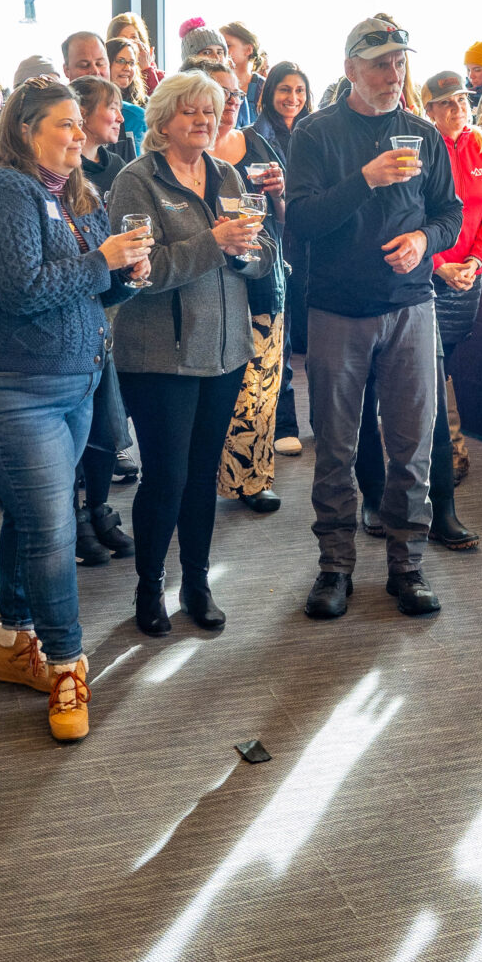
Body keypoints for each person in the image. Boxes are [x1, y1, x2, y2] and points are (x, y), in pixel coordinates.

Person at [0, 81, 153, 741]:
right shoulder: (1, 189)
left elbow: (89, 283)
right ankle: (66, 663)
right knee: (52, 523)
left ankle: (13, 642)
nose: (78, 135)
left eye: (77, 126)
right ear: (27, 128)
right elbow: (19, 290)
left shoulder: (75, 192)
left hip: (68, 385)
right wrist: (102, 260)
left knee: (33, 514)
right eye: (65, 124)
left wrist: (124, 273)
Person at [284, 16, 463, 618]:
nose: (394, 74)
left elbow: (449, 214)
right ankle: (335, 567)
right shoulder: (316, 134)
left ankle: (408, 566)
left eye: (399, 62)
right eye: (381, 63)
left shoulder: (422, 133)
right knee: (335, 447)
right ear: (350, 70)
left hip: (412, 306)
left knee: (410, 448)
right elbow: (302, 221)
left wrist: (424, 242)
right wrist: (365, 179)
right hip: (339, 310)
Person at [106, 71, 276, 636]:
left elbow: (259, 252)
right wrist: (216, 243)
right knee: (166, 477)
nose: (204, 120)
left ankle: (197, 583)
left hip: (226, 351)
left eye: (211, 110)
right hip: (161, 357)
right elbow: (142, 271)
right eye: (190, 113)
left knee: (203, 476)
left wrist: (250, 251)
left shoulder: (227, 174)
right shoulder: (138, 180)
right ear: (162, 120)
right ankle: (149, 586)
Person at [414, 69, 482, 550]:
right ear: (428, 110)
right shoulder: (422, 149)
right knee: (428, 364)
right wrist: (441, 264)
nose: (458, 109)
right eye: (446, 103)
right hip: (427, 272)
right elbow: (411, 217)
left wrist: (473, 261)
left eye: (463, 100)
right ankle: (441, 455)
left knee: (445, 360)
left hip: (469, 273)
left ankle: (443, 450)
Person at [209, 65, 291, 518]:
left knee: (260, 385)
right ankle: (203, 474)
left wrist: (280, 193)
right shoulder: (182, 154)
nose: (233, 100)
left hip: (261, 278)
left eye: (238, 92)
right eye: (223, 92)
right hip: (207, 284)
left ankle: (252, 478)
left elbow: (287, 213)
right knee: (214, 388)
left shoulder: (257, 144)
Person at [68, 77, 139, 566]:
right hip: (68, 315)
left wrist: (131, 274)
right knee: (73, 426)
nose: (118, 116)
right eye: (109, 108)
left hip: (101, 306)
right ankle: (73, 519)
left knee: (101, 421)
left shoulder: (115, 167)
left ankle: (98, 510)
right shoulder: (50, 183)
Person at [257, 61, 315, 458]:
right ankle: (285, 422)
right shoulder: (256, 135)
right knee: (283, 336)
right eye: (284, 89)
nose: (292, 98)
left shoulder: (315, 132)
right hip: (276, 243)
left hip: (313, 243)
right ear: (269, 93)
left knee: (321, 336)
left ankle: (327, 422)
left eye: (299, 90)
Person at [106, 36, 151, 144]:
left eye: (131, 63)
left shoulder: (146, 104)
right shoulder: (97, 104)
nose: (127, 68)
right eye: (121, 61)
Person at [220, 20, 266, 125]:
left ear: (248, 50)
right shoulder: (214, 84)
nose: (222, 52)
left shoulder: (264, 87)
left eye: (228, 46)